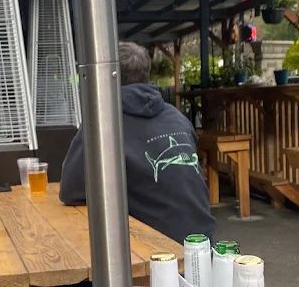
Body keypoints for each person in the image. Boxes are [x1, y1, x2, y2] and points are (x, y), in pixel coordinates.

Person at [59, 41, 214, 244]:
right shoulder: (178, 117)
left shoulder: (103, 124)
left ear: (107, 76)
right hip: (204, 244)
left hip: (158, 252)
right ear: (147, 74)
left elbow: (70, 191)